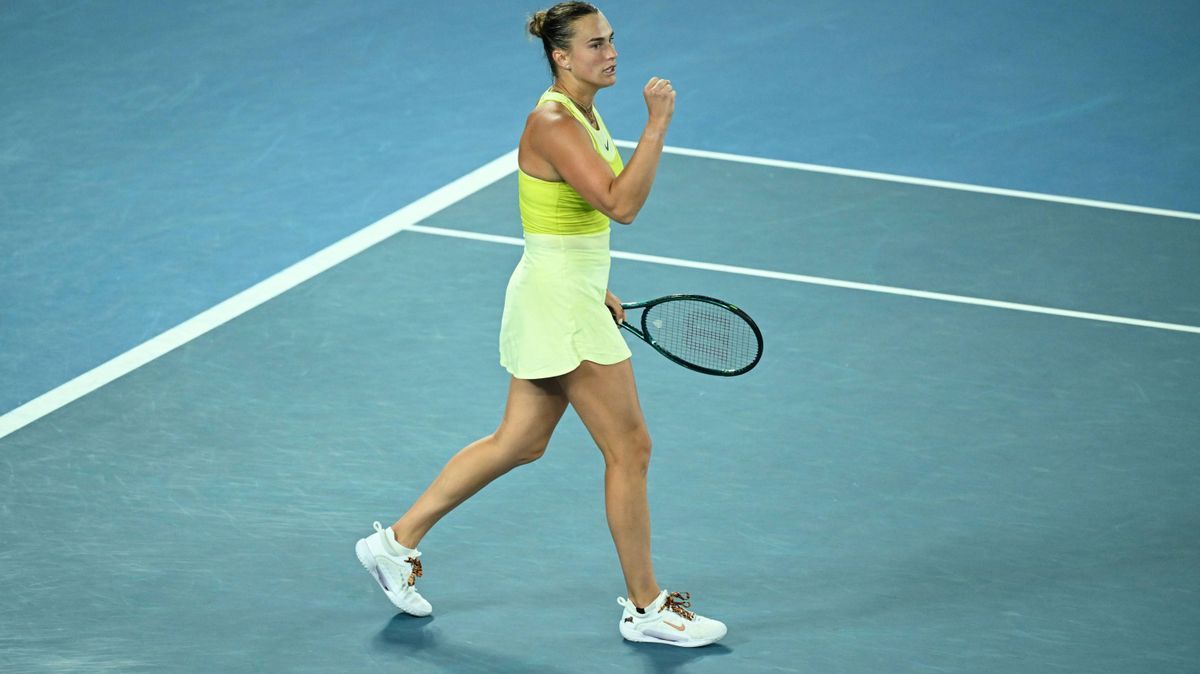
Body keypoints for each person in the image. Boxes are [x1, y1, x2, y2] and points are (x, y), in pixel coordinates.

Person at [355, 2, 726, 648]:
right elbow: (620, 205)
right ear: (560, 56)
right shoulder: (554, 122)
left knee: (520, 441)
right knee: (630, 449)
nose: (610, 53)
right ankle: (647, 607)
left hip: (564, 293)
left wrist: (596, 286)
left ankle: (394, 544)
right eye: (594, 45)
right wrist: (659, 125)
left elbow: (568, 220)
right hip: (559, 305)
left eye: (611, 40)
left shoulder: (580, 110)